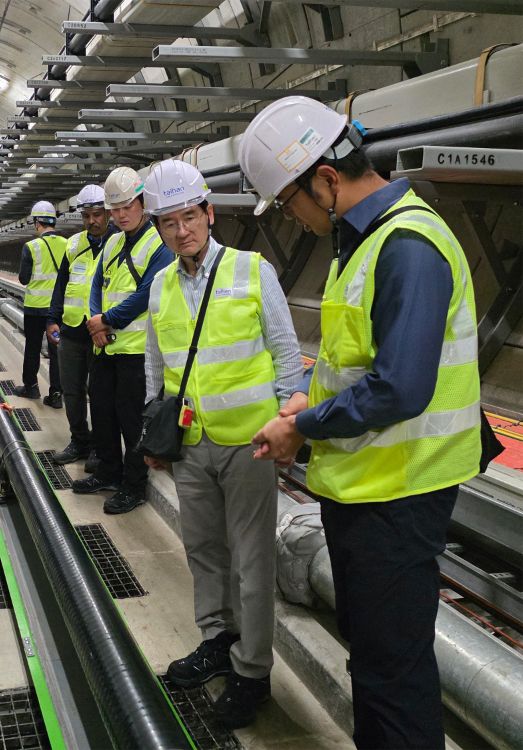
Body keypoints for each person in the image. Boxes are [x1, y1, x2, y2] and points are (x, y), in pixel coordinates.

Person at [242, 96, 481, 750]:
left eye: (290, 201)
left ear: (325, 179)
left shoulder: (407, 244)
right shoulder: (364, 241)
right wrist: (305, 404)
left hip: (399, 498)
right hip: (366, 490)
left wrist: (303, 426)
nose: (293, 217)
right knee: (374, 665)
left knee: (394, 675)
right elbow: (355, 365)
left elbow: (401, 386)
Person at [142, 159, 303, 728]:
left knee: (253, 560)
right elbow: (157, 365)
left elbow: (287, 359)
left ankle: (252, 672)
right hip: (191, 442)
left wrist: (290, 422)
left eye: (190, 217)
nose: (181, 230)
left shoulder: (253, 271)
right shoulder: (161, 285)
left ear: (209, 214)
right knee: (203, 549)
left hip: (249, 444)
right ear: (158, 229)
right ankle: (217, 639)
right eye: (168, 222)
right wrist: (153, 425)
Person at [72, 167, 173, 514]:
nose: (120, 215)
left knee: (132, 422)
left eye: (127, 206)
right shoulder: (113, 242)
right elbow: (95, 285)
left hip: (137, 353)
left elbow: (148, 294)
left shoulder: (159, 244)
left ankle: (134, 486)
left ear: (143, 202)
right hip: (106, 347)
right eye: (114, 209)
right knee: (102, 413)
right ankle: (108, 472)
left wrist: (106, 320)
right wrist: (96, 324)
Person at [46, 184, 117, 473]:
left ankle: (101, 447)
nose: (92, 221)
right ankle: (79, 441)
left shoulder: (119, 243)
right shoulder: (73, 244)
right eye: (87, 216)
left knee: (100, 393)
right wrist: (52, 318)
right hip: (72, 330)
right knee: (71, 390)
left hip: (102, 331)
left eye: (97, 214)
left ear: (108, 213)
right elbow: (61, 285)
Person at [14, 201, 65, 408]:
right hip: (59, 308)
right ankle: (56, 395)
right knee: (56, 352)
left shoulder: (31, 247)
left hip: (35, 308)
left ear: (37, 223)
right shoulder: (68, 244)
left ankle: (31, 387)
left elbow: (24, 279)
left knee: (33, 348)